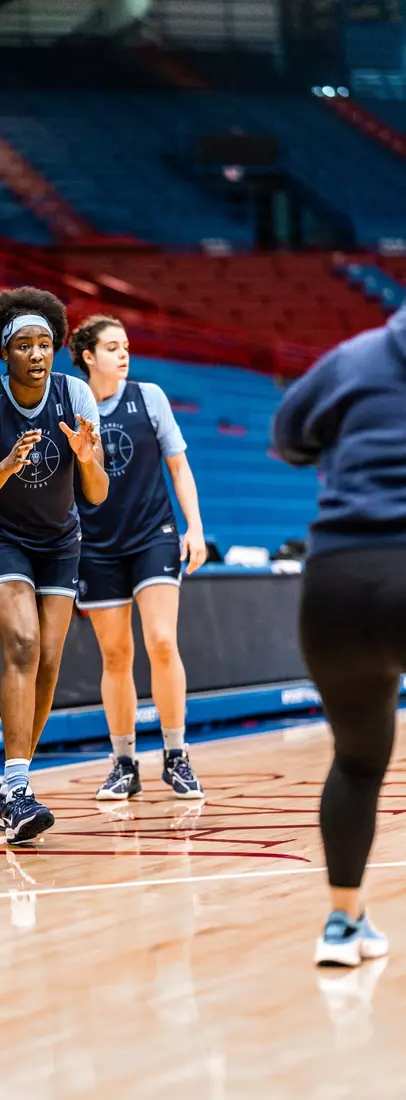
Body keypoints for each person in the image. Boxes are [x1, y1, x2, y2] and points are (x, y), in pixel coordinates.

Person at [272, 305, 406, 966]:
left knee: (356, 760)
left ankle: (343, 924)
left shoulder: (353, 358)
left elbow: (289, 438)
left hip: (337, 581)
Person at [0, 288, 109, 843]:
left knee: (48, 663)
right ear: (4, 351)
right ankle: (18, 789)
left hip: (59, 541)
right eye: (25, 345)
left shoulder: (78, 395)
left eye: (46, 343)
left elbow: (97, 494)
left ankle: (9, 787)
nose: (38, 354)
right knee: (22, 645)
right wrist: (7, 466)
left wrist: (88, 459)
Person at [68, 315, 207, 801]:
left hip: (154, 535)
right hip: (97, 546)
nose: (124, 354)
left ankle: (176, 755)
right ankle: (123, 763)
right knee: (115, 655)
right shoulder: (68, 405)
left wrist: (195, 527)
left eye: (126, 345)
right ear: (88, 356)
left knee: (162, 641)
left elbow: (179, 465)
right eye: (112, 347)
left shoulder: (149, 397)